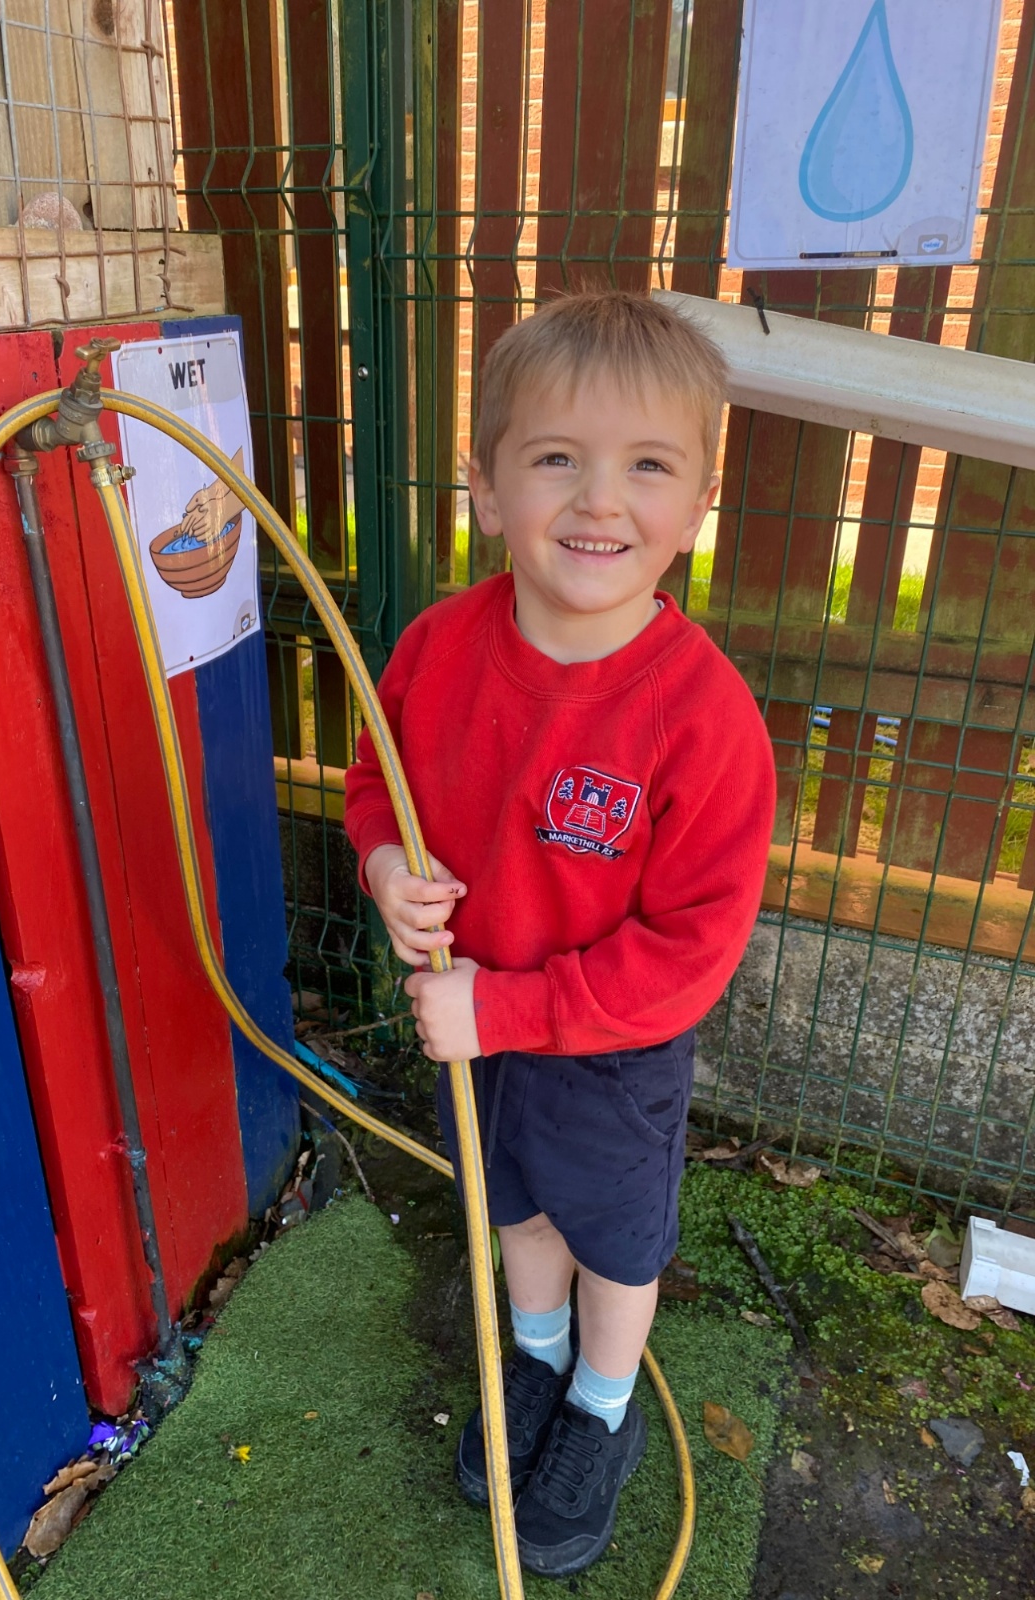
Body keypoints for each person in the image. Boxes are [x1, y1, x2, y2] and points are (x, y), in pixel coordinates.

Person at [343, 291, 776, 1578]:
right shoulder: (436, 648)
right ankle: (533, 1360)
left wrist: (503, 1008)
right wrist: (382, 861)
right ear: (485, 486)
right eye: (554, 458)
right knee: (511, 1204)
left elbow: (688, 956)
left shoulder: (706, 720)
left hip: (608, 1053)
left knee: (614, 1242)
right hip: (470, 1025)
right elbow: (375, 779)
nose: (598, 500)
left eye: (647, 466)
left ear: (697, 504)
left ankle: (600, 1404)